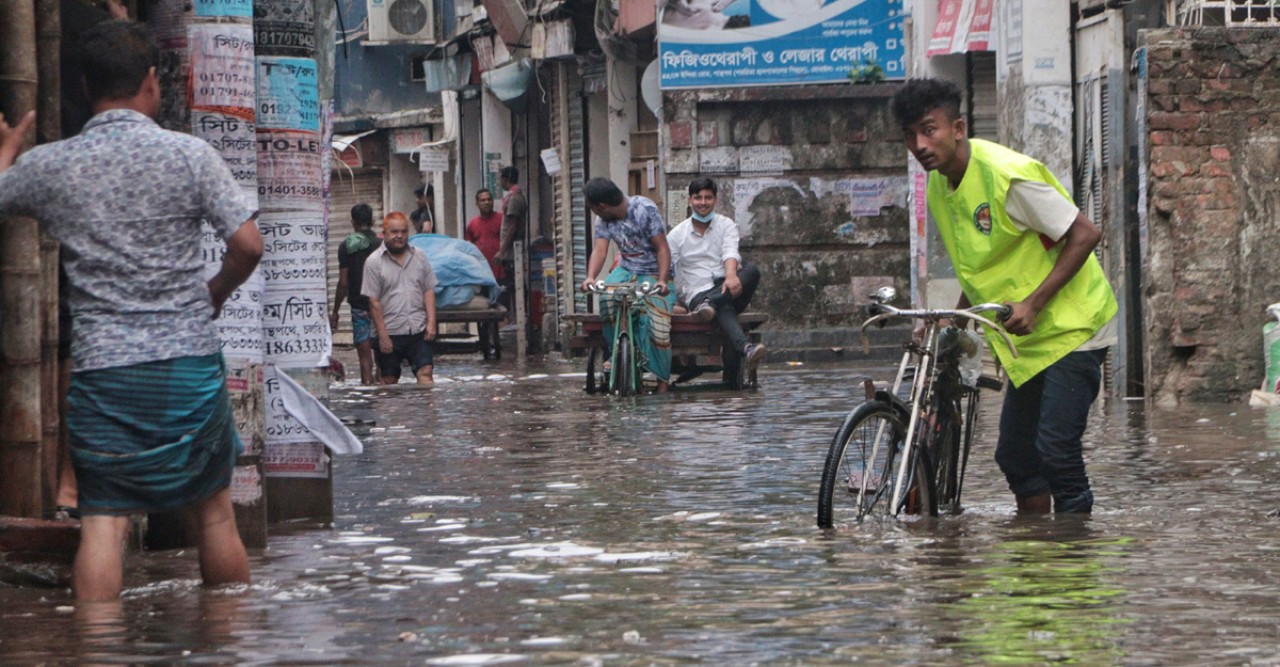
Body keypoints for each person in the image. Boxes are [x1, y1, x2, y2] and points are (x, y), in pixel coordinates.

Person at [0, 20, 260, 600]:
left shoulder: (52, 165)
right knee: (214, 516)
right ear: (150, 82)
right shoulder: (191, 155)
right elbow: (249, 246)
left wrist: (5, 155)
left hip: (103, 372)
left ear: (87, 87)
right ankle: (231, 648)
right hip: (187, 365)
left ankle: (97, 652)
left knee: (104, 522)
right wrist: (214, 292)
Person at [890, 78, 1117, 514]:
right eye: (909, 135)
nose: (919, 144)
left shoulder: (1006, 176)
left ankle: (1077, 559)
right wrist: (950, 320)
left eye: (928, 129)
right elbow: (978, 267)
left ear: (957, 128)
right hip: (1025, 339)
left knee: (1056, 452)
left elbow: (1086, 233)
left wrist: (1034, 303)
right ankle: (1034, 559)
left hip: (1075, 327)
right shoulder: (941, 184)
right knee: (1014, 456)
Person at [580, 177, 678, 393]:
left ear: (602, 206)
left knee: (657, 325)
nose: (594, 212)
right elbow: (600, 250)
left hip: (653, 271)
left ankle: (662, 381)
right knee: (606, 297)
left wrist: (662, 280)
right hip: (625, 270)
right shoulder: (603, 220)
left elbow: (662, 248)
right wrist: (590, 277)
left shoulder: (645, 209)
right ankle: (616, 353)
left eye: (593, 208)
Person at [667, 178, 766, 378]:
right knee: (724, 308)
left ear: (715, 200)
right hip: (696, 295)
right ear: (690, 201)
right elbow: (668, 268)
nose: (703, 202)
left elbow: (730, 252)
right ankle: (746, 349)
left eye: (708, 198)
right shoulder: (677, 235)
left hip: (727, 287)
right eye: (698, 198)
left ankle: (710, 303)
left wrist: (731, 276)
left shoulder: (726, 225)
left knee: (752, 271)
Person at [363, 212, 438, 384]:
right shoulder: (373, 262)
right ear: (384, 233)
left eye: (404, 232)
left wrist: (432, 322)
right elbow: (373, 301)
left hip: (418, 329)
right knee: (389, 380)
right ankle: (391, 412)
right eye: (394, 232)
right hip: (390, 330)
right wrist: (382, 335)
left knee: (426, 372)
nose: (400, 236)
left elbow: (428, 289)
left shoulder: (419, 256)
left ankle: (427, 410)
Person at [331, 203, 379, 384]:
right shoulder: (381, 244)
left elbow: (343, 282)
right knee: (383, 354)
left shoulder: (346, 246)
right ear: (373, 221)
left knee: (365, 359)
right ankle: (383, 393)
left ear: (352, 222)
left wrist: (335, 311)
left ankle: (367, 390)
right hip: (381, 306)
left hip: (359, 306)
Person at [464, 188, 504, 357]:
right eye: (483, 200)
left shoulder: (501, 220)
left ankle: (497, 343)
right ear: (477, 203)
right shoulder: (473, 224)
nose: (486, 202)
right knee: (483, 312)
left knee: (498, 311)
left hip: (500, 273)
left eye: (489, 199)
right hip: (481, 275)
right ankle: (484, 343)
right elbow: (468, 248)